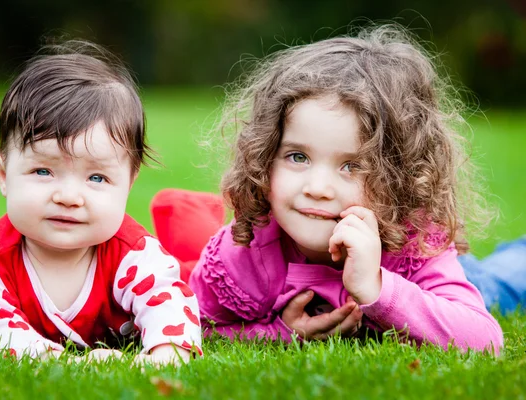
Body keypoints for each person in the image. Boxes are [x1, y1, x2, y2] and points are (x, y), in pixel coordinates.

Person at [151, 25, 504, 354]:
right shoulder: (245, 253)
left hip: (433, 279)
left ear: (400, 179)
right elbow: (192, 324)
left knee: (495, 282)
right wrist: (280, 333)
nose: (318, 188)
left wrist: (378, 288)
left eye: (352, 166)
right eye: (297, 157)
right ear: (264, 155)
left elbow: (485, 339)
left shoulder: (415, 243)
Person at [0, 40, 202, 364]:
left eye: (96, 178)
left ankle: (193, 229)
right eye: (43, 171)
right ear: (4, 174)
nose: (69, 197)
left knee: (193, 274)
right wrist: (69, 363)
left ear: (128, 183)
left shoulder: (134, 253)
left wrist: (166, 354)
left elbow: (168, 301)